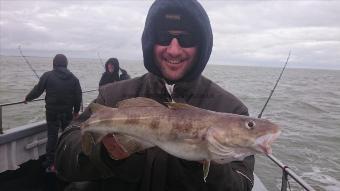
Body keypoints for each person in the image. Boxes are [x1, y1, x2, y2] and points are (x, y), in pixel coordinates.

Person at [55, 0, 254, 190]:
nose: (174, 50)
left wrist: (210, 161)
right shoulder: (112, 96)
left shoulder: (232, 110)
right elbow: (64, 158)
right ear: (150, 42)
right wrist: (104, 155)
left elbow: (243, 184)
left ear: (202, 45)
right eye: (162, 37)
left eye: (187, 39)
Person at [25, 54, 82, 172]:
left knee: (52, 137)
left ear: (54, 63)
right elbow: (78, 96)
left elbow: (38, 90)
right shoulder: (74, 78)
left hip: (52, 112)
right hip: (67, 112)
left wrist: (28, 98)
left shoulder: (47, 75)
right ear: (66, 64)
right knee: (68, 136)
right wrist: (76, 111)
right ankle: (67, 159)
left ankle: (51, 164)